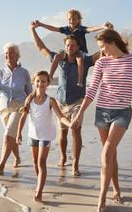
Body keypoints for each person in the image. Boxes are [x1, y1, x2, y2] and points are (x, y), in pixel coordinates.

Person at [71, 29, 132, 212]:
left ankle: (101, 199)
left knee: (106, 153)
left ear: (112, 42)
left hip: (122, 113)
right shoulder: (102, 62)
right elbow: (92, 89)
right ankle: (116, 189)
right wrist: (80, 113)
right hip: (102, 112)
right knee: (111, 154)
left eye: (103, 47)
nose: (102, 51)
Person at [30, 22, 101, 176]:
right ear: (65, 45)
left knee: (75, 129)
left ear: (78, 47)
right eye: (68, 45)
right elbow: (41, 47)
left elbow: (101, 53)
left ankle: (75, 164)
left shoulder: (85, 60)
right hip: (62, 102)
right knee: (62, 134)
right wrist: (33, 30)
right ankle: (63, 157)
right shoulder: (59, 59)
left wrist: (109, 34)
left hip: (78, 102)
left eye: (73, 45)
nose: (70, 47)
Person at [16, 71, 73, 202]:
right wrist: (19, 133)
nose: (40, 83)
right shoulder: (29, 99)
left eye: (43, 81)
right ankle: (39, 183)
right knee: (35, 162)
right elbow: (23, 117)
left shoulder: (51, 101)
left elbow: (61, 117)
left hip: (46, 135)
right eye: (38, 81)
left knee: (41, 162)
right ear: (34, 82)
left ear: (47, 83)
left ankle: (39, 191)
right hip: (33, 135)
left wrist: (70, 124)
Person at [33, 9, 113, 87]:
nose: (71, 21)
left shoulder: (81, 29)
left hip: (80, 51)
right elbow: (53, 28)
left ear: (79, 19)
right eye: (69, 19)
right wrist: (41, 24)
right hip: (68, 51)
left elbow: (91, 29)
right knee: (57, 56)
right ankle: (50, 76)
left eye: (74, 19)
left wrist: (103, 27)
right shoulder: (66, 29)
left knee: (79, 59)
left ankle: (80, 80)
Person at [0, 43, 33, 175]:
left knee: (7, 135)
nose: (8, 55)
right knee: (11, 137)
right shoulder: (0, 72)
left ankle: (1, 165)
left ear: (18, 55)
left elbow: (30, 92)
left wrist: (32, 106)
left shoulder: (24, 73)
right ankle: (18, 158)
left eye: (11, 53)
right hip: (4, 108)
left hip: (19, 107)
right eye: (6, 53)